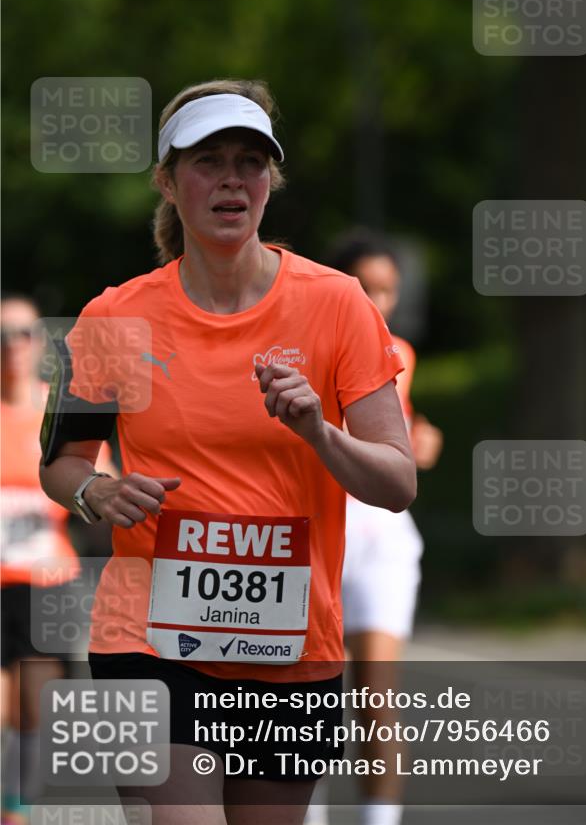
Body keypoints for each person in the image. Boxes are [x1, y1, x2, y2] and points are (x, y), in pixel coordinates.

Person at [39, 79, 417, 825]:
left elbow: (397, 481)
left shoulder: (336, 304)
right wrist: (97, 493)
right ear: (168, 182)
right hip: (146, 640)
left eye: (250, 162)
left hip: (290, 648)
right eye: (208, 161)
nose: (231, 180)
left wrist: (318, 431)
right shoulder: (114, 317)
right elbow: (61, 461)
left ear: (270, 183)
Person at [311, 230, 443, 825]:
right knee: (305, 699)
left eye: (388, 290)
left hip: (380, 538)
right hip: (317, 529)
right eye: (366, 287)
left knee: (376, 697)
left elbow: (397, 436)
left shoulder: (403, 354)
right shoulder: (305, 348)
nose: (378, 301)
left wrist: (423, 441)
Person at [1, 295, 114, 825]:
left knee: (31, 711)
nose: (12, 347)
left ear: (38, 344)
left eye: (22, 334)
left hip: (46, 584)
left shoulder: (56, 409)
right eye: (1, 337)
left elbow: (98, 488)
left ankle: (17, 807)